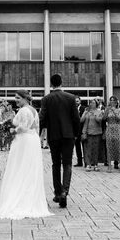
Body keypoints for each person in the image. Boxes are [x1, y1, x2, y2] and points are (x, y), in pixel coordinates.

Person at [0, 90, 53, 219]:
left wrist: (12, 130)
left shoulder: (24, 110)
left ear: (25, 98)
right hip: (32, 140)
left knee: (19, 168)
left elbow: (23, 127)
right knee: (29, 169)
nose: (16, 100)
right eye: (15, 98)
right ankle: (29, 198)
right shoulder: (33, 110)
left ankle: (19, 199)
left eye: (18, 98)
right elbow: (35, 128)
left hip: (23, 140)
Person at [39, 74, 81, 209]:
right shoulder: (70, 98)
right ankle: (64, 191)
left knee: (56, 164)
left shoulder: (46, 99)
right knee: (67, 163)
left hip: (54, 135)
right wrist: (76, 134)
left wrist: (40, 133)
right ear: (61, 82)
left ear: (51, 84)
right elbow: (76, 118)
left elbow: (43, 118)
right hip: (68, 135)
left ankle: (57, 192)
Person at [80, 99, 104, 171]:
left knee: (96, 150)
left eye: (93, 103)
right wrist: (85, 112)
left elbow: (99, 120)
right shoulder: (87, 111)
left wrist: (94, 113)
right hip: (88, 132)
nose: (91, 104)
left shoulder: (99, 112)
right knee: (88, 149)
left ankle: (95, 164)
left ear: (96, 104)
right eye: (90, 103)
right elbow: (81, 120)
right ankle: (88, 164)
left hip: (97, 133)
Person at [103, 96, 120, 173]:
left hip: (117, 128)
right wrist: (106, 111)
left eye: (113, 100)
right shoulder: (107, 109)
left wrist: (114, 111)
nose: (112, 102)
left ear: (116, 102)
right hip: (109, 128)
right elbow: (104, 119)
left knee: (119, 146)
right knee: (109, 147)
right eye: (111, 100)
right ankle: (109, 166)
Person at [73, 96, 84, 167]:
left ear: (80, 101)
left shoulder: (84, 108)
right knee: (77, 147)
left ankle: (87, 162)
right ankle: (79, 162)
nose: (76, 102)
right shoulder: (72, 109)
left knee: (84, 147)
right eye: (75, 101)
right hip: (76, 131)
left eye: (77, 101)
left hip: (83, 130)